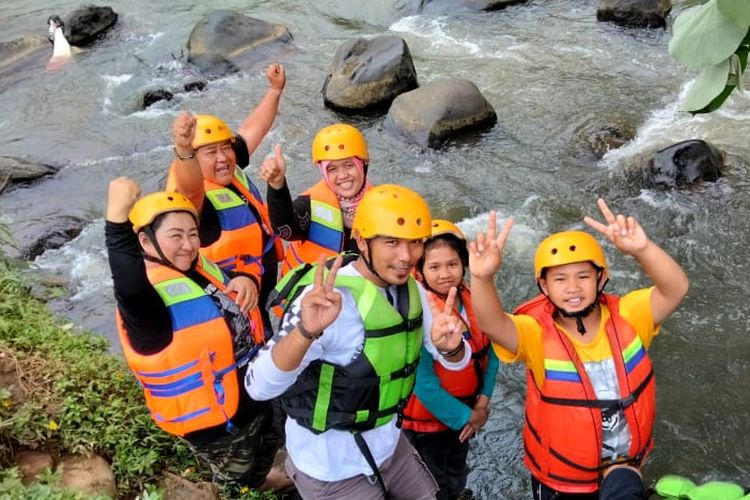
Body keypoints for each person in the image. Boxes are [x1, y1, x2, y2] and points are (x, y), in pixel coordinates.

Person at [246, 185, 473, 499]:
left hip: (390, 448)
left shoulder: (412, 290)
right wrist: (304, 332)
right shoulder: (327, 299)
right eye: (392, 242)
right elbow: (258, 385)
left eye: (415, 243)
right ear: (363, 241)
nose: (406, 257)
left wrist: (452, 347)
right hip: (328, 467)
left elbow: (455, 359)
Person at [468, 198, 689, 499]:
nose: (573, 287)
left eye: (583, 276)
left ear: (602, 278)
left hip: (625, 468)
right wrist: (482, 277)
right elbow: (493, 324)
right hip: (563, 481)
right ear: (544, 287)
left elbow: (675, 289)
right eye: (560, 279)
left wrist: (642, 249)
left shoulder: (629, 315)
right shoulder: (536, 335)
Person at [105, 177, 290, 491]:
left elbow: (229, 279)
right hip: (222, 425)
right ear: (145, 242)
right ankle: (241, 489)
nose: (188, 245)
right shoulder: (146, 306)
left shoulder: (196, 266)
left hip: (256, 391)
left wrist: (246, 278)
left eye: (192, 234)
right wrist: (115, 221)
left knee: (268, 445)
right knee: (236, 481)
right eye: (176, 236)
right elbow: (128, 286)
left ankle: (261, 479)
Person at [167, 63, 286, 326]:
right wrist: (184, 148)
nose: (223, 158)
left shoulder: (227, 167)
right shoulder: (196, 200)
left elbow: (254, 129)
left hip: (257, 290)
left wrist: (274, 91)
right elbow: (189, 190)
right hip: (233, 304)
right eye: (211, 152)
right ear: (193, 160)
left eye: (226, 148)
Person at [402, 219, 499, 500]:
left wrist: (483, 401)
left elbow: (491, 353)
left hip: (466, 415)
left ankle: (456, 493)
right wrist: (470, 417)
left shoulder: (475, 299)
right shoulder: (418, 314)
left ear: (464, 264)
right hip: (428, 427)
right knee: (429, 482)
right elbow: (424, 386)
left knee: (456, 470)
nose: (445, 274)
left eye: (452, 264)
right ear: (419, 270)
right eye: (434, 267)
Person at [259, 123, 372, 275]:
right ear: (323, 172)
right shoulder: (310, 205)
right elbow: (284, 230)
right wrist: (277, 185)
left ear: (363, 164)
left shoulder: (381, 205)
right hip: (312, 292)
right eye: (332, 169)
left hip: (358, 294)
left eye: (349, 165)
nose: (343, 175)